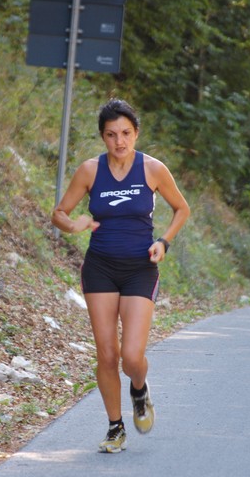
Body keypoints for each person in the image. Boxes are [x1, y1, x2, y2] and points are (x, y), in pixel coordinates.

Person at [52, 98, 190, 453]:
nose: (120, 141)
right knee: (107, 355)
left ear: (136, 133)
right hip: (100, 267)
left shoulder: (152, 169)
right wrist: (74, 224)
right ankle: (115, 427)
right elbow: (59, 213)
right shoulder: (89, 171)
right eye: (112, 134)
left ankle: (139, 390)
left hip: (140, 269)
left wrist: (164, 241)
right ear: (102, 137)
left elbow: (181, 209)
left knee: (132, 356)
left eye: (126, 133)